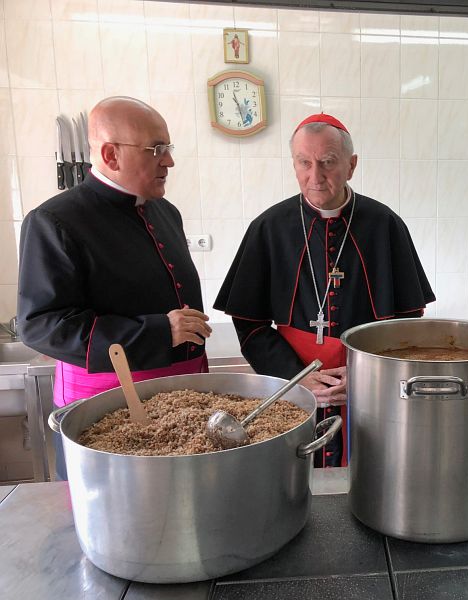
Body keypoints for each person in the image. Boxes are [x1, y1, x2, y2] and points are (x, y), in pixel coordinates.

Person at [214, 113, 435, 468]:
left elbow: (409, 319)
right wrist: (296, 376)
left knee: (373, 474)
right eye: (304, 162)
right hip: (293, 384)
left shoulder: (385, 225)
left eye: (328, 162)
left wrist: (368, 372)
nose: (315, 176)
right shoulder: (268, 227)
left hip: (370, 385)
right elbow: (249, 323)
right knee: (296, 475)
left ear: (351, 165)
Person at [18, 96, 212, 478]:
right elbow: (40, 325)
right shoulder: (54, 220)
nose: (169, 161)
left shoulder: (165, 212)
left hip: (183, 398)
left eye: (168, 147)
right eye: (156, 149)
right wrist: (158, 332)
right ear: (110, 154)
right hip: (108, 405)